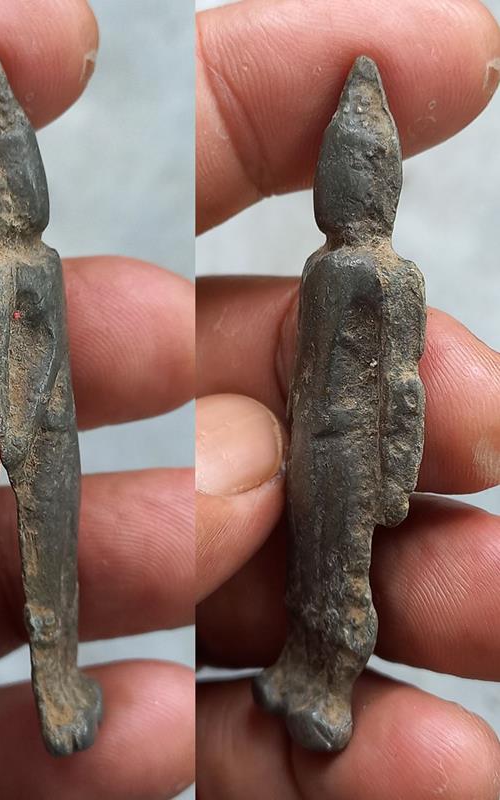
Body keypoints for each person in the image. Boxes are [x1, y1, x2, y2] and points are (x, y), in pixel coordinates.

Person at [0, 1, 194, 797]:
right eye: (14, 177)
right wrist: (21, 435)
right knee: (49, 566)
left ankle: (60, 681)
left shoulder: (30, 266)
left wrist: (31, 428)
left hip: (53, 440)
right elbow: (17, 357)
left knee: (58, 562)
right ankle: (56, 685)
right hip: (43, 442)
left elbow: (32, 353)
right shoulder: (15, 272)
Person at [196, 0, 500, 797]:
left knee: (342, 573)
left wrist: (395, 469)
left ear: (381, 184)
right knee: (305, 565)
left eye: (357, 170)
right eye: (340, 168)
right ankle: (298, 663)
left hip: (355, 454)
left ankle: (330, 680)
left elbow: (403, 381)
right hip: (313, 445)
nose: (343, 182)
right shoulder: (321, 269)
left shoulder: (389, 278)